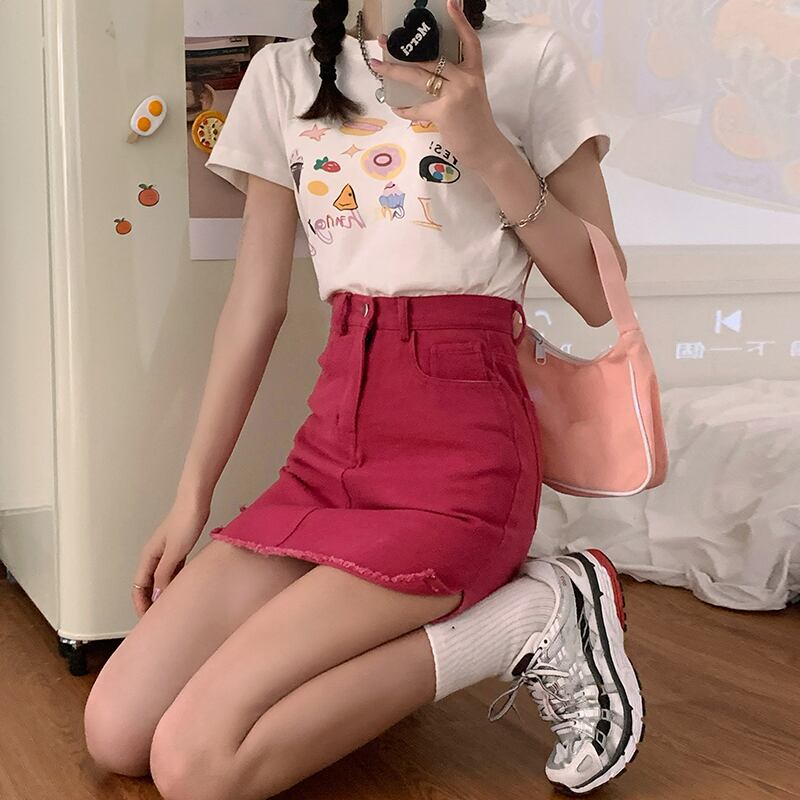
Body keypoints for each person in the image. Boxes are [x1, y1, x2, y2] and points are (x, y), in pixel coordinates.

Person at [83, 0, 644, 797]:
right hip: (332, 452)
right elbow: (254, 308)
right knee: (116, 731)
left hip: (462, 456)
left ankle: (529, 617)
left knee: (195, 767)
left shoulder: (531, 60)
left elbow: (596, 292)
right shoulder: (284, 75)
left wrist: (485, 144)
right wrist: (191, 497)